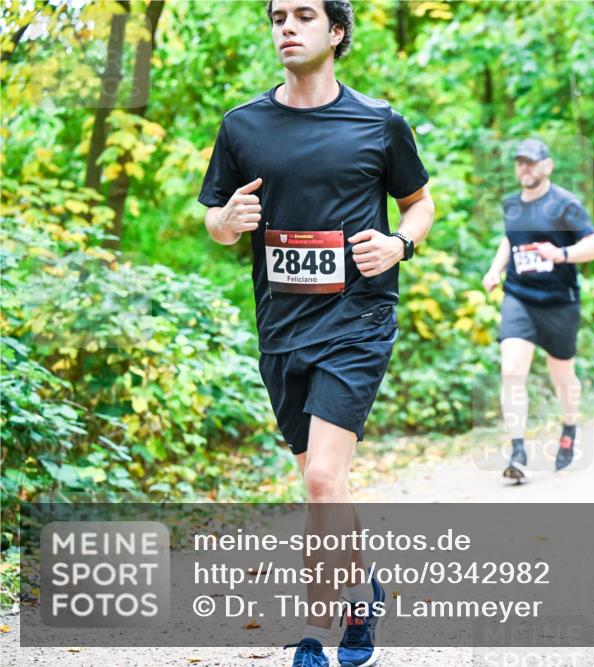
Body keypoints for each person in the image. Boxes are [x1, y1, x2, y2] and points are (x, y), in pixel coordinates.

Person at [198, 2, 434, 665]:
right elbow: (216, 219)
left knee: (323, 481)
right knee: (319, 480)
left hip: (357, 321)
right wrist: (227, 221)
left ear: (336, 32)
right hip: (282, 329)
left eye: (304, 15)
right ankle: (365, 593)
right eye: (278, 17)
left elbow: (420, 206)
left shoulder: (378, 122)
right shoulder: (242, 125)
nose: (287, 27)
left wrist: (397, 246)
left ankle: (317, 630)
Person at [481, 139, 594, 481]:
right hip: (519, 297)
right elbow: (510, 239)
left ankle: (569, 430)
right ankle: (518, 450)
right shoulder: (511, 205)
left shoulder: (566, 204)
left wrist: (561, 255)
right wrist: (495, 269)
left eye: (532, 162)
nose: (525, 168)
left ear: (547, 166)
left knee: (562, 376)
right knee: (511, 369)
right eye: (520, 162)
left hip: (559, 302)